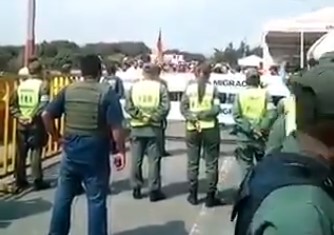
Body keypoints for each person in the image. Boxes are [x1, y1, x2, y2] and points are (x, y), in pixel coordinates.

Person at [232, 56, 334, 235]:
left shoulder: (285, 161)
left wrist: (251, 128)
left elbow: (239, 116)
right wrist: (259, 128)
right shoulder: (303, 215)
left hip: (246, 135)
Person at [43, 54, 126, 235]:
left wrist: (56, 138)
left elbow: (46, 115)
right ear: (99, 71)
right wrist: (120, 151)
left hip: (71, 147)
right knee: (96, 200)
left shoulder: (69, 90)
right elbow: (116, 127)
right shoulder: (106, 92)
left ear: (81, 72)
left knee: (63, 197)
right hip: (96, 149)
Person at [125, 63, 170, 202]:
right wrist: (153, 117)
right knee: (154, 161)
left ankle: (136, 188)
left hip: (137, 127)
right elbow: (165, 107)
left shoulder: (134, 87)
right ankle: (154, 190)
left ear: (143, 73)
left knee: (136, 160)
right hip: (154, 128)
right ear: (155, 74)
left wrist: (140, 116)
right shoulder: (160, 87)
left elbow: (128, 106)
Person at [180, 63, 222, 207]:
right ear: (209, 74)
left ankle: (193, 194)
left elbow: (183, 108)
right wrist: (205, 114)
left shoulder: (189, 88)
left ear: (196, 73)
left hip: (193, 128)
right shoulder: (213, 89)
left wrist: (193, 117)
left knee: (193, 162)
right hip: (210, 128)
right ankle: (210, 195)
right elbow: (217, 108)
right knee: (211, 163)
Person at [9, 57, 50, 192]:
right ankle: (37, 180)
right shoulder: (43, 85)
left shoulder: (21, 86)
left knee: (21, 152)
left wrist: (20, 117)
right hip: (35, 123)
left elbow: (12, 105)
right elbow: (44, 104)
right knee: (36, 151)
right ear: (40, 71)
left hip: (21, 124)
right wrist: (32, 117)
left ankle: (20, 180)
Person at [232, 68, 276, 177]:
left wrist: (250, 128)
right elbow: (271, 114)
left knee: (245, 167)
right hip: (261, 137)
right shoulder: (266, 94)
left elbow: (237, 115)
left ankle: (246, 191)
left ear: (246, 80)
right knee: (263, 167)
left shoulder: (240, 95)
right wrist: (260, 129)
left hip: (244, 136)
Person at [152, 64, 171, 157]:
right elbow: (166, 97)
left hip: (149, 108)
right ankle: (161, 150)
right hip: (159, 108)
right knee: (161, 131)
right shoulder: (163, 83)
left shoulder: (145, 82)